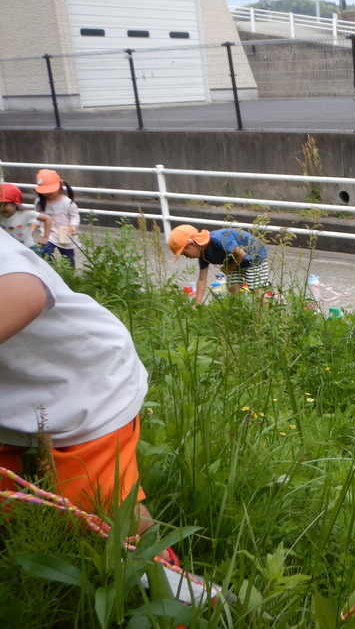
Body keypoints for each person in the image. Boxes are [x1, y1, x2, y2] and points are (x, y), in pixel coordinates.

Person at [0, 228, 213, 604]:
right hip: (13, 403)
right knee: (14, 509)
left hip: (81, 392)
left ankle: (178, 588)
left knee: (108, 511)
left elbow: (24, 290)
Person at [168, 224, 270, 304]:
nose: (186, 257)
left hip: (254, 257)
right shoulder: (203, 254)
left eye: (184, 253)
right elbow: (202, 279)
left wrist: (228, 268)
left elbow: (240, 253)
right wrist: (197, 303)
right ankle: (243, 313)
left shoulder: (218, 239)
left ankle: (267, 315)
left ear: (191, 244)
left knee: (256, 289)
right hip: (236, 261)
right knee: (232, 288)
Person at [34, 168, 80, 267]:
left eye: (51, 190)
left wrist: (73, 225)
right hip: (48, 232)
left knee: (68, 256)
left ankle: (69, 274)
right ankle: (52, 268)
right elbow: (38, 216)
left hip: (65, 231)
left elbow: (74, 215)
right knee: (44, 251)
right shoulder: (40, 202)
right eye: (45, 191)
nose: (48, 193)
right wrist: (34, 225)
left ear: (60, 186)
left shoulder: (67, 202)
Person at [1, 183, 51, 250]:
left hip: (28, 248)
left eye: (5, 204)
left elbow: (47, 218)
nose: (1, 208)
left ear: (15, 202)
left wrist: (45, 237)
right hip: (10, 249)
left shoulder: (26, 214)